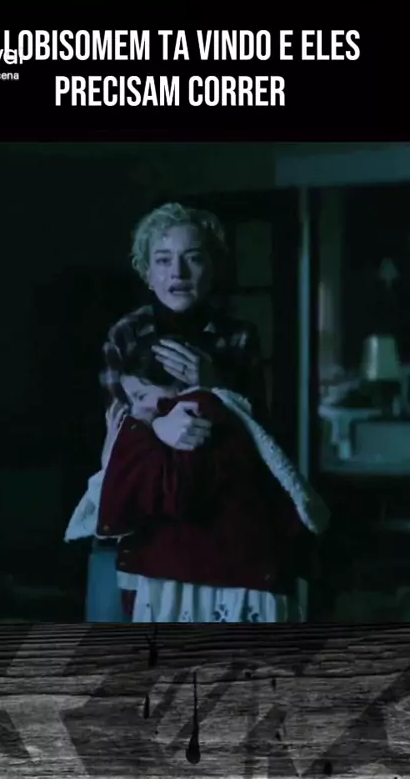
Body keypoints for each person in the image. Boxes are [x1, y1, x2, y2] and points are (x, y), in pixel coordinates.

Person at [67, 333, 329, 623]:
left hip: (218, 583)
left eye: (141, 396)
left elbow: (170, 496)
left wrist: (130, 444)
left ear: (179, 385)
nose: (137, 411)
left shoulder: (197, 413)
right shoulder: (179, 421)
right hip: (211, 578)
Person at [100, 202, 269, 452]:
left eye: (194, 258)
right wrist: (157, 426)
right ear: (148, 274)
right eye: (163, 260)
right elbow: (115, 432)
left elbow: (260, 434)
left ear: (213, 269)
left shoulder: (239, 336)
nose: (178, 272)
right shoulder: (125, 333)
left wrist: (214, 385)